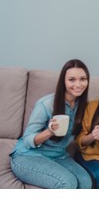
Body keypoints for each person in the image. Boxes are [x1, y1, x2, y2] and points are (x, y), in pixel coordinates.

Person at [10, 59, 92, 189]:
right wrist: (49, 132)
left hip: (58, 156)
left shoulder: (83, 107)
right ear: (63, 81)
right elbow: (27, 140)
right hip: (28, 156)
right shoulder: (46, 104)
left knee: (86, 182)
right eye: (72, 79)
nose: (78, 84)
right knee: (68, 183)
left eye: (83, 79)